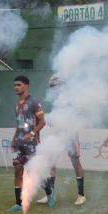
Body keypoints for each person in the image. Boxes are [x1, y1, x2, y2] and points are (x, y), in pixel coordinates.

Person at [37, 75, 87, 206]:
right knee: (51, 162)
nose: (53, 89)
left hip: (71, 134)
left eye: (54, 86)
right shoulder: (56, 101)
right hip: (59, 134)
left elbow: (78, 114)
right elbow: (55, 120)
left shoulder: (70, 98)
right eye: (51, 86)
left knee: (75, 162)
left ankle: (81, 195)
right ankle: (50, 195)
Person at [8, 75, 47, 212]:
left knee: (34, 172)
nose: (16, 87)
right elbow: (19, 125)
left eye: (19, 85)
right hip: (19, 143)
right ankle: (18, 203)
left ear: (26, 86)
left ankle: (49, 191)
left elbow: (43, 121)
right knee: (17, 170)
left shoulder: (34, 102)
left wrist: (31, 134)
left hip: (32, 143)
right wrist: (14, 139)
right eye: (14, 85)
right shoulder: (17, 104)